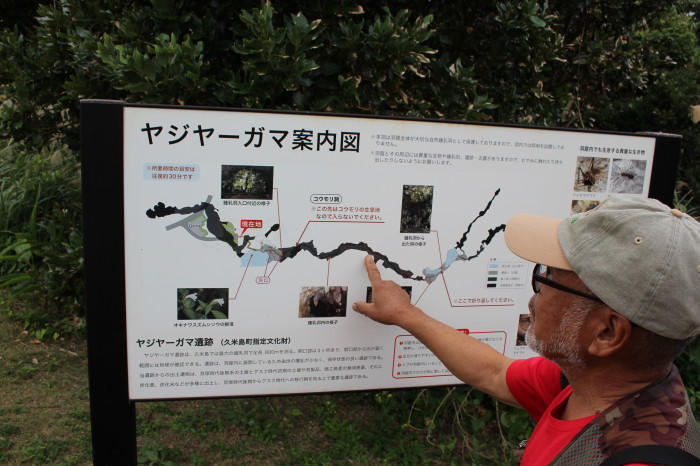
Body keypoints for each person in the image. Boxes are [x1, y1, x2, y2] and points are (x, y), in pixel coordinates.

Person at [352, 195, 700, 465]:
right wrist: (405, 314)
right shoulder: (593, 382)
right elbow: (495, 372)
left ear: (607, 333)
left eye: (550, 276)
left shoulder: (637, 457)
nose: (537, 289)